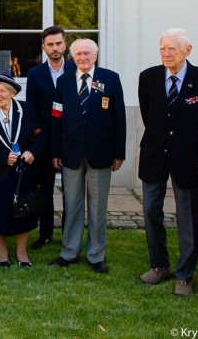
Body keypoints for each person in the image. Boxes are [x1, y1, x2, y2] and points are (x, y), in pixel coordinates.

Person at [138, 28, 198, 296]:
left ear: (188, 50)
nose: (166, 53)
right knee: (150, 210)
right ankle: (160, 265)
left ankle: (185, 274)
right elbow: (149, 116)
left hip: (187, 157)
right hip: (154, 154)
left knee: (187, 217)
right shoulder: (147, 77)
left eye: (172, 48)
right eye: (162, 48)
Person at [50, 38, 126, 273]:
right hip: (70, 152)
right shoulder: (63, 81)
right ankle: (69, 252)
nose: (83, 58)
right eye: (78, 54)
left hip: (101, 152)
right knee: (71, 204)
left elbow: (119, 117)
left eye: (87, 53)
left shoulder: (110, 78)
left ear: (95, 56)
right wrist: (55, 151)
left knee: (97, 207)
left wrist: (119, 153)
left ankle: (95, 255)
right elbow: (56, 117)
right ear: (72, 57)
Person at [0, 75, 46, 267]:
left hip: (24, 172)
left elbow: (41, 135)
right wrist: (1, 157)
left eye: (2, 91)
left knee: (25, 212)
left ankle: (22, 252)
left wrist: (32, 152)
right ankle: (2, 250)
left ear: (12, 92)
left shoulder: (27, 110)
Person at [25, 25, 75, 249]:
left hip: (70, 136)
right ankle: (45, 234)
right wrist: (36, 129)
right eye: (50, 44)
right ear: (44, 47)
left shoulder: (76, 69)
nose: (55, 48)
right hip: (44, 137)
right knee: (44, 188)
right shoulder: (35, 74)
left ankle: (69, 235)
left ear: (65, 44)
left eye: (59, 43)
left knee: (71, 191)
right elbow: (31, 105)